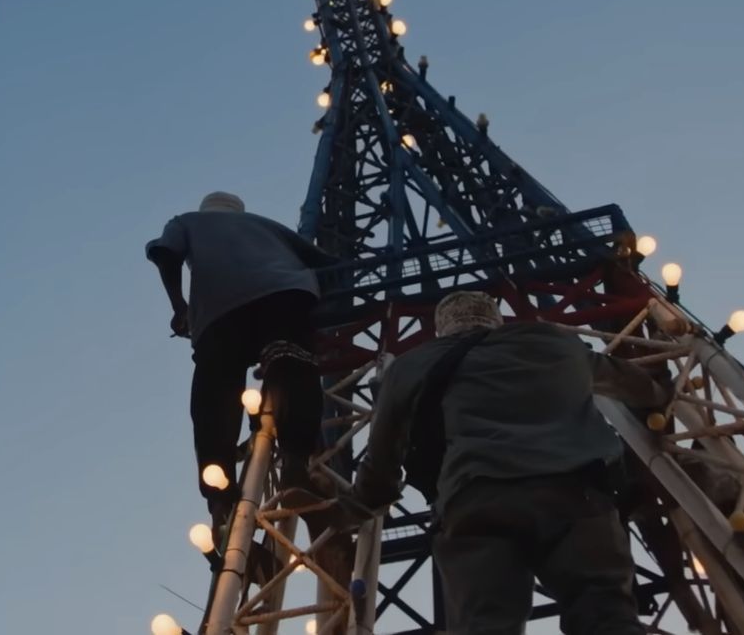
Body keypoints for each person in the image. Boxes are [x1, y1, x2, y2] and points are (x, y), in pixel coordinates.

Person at [346, 291, 672, 635]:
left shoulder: (411, 365)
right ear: (497, 318)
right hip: (578, 497)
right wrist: (660, 394)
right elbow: (631, 383)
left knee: (486, 624)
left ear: (441, 328)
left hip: (475, 502)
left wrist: (352, 507)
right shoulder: (555, 341)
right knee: (607, 616)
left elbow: (381, 463)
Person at [145, 191, 337, 526]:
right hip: (285, 293)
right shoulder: (267, 226)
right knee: (292, 361)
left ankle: (220, 496)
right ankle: (295, 462)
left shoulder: (186, 221)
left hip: (220, 312)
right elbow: (327, 263)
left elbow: (166, 254)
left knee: (214, 393)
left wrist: (180, 307)